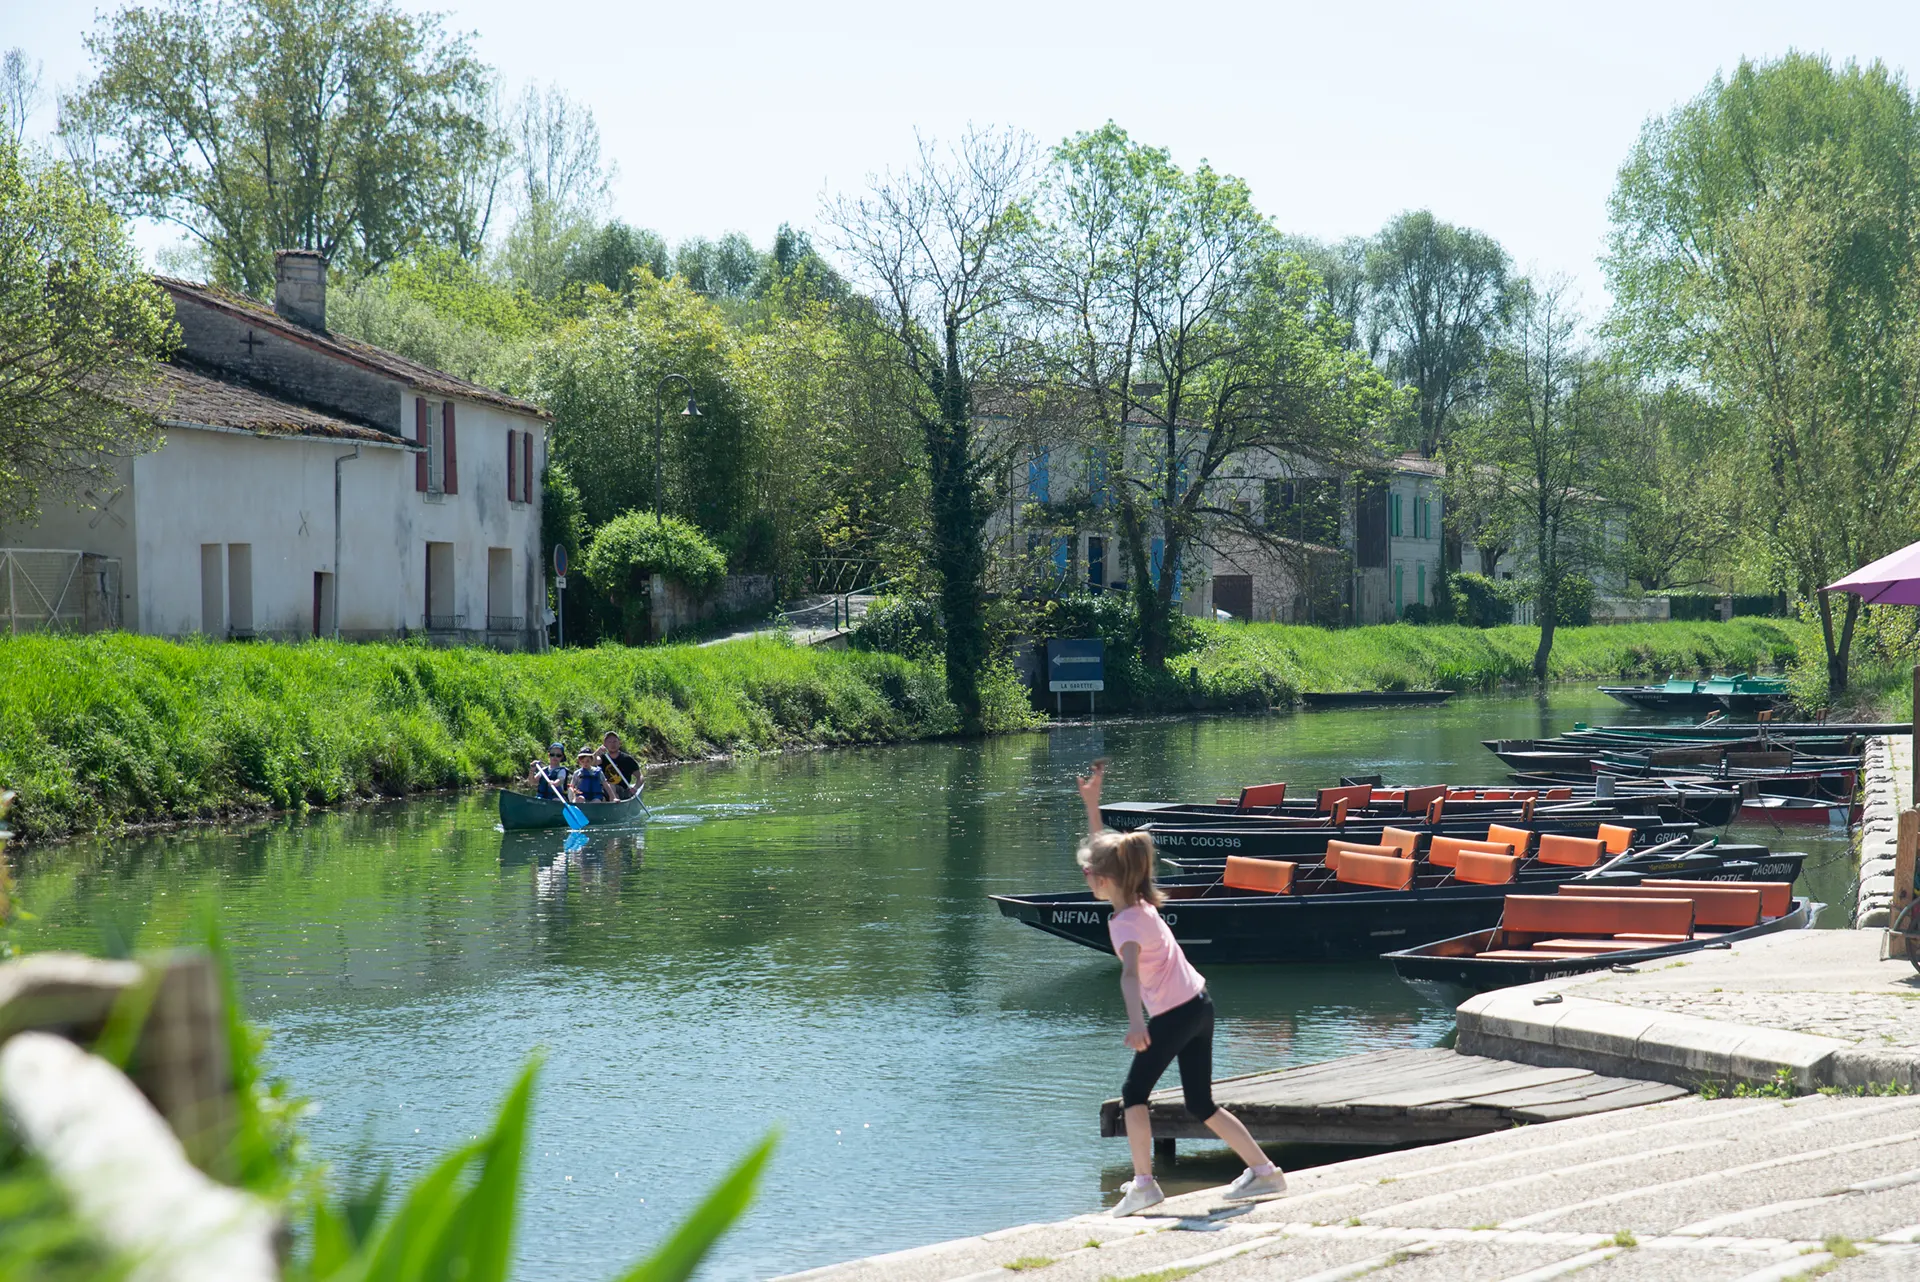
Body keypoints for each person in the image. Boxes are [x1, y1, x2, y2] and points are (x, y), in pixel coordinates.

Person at [1076, 760, 1288, 1217]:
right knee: (1200, 1103)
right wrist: (1093, 808)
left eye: (1087, 873)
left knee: (1133, 1095)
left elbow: (1129, 975)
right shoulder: (1140, 900)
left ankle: (1145, 1184)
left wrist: (1137, 1023)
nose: (1085, 877)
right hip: (1200, 1005)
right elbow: (1105, 853)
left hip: (1173, 1015)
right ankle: (1265, 1171)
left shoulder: (1126, 923)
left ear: (1105, 879)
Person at [597, 732, 641, 800]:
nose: (612, 744)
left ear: (619, 743)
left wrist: (636, 787)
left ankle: (615, 805)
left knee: (611, 786)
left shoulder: (627, 759)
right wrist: (597, 752)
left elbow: (640, 777)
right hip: (605, 790)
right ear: (605, 744)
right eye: (609, 742)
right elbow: (591, 762)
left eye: (615, 741)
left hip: (623, 791)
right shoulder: (602, 758)